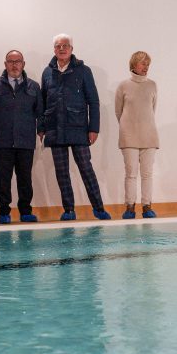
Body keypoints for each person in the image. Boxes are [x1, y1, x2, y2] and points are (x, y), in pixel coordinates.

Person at [39, 33, 111, 221]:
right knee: (62, 172)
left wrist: (93, 128)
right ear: (54, 49)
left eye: (65, 45)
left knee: (86, 168)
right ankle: (69, 210)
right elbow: (42, 103)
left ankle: (99, 208)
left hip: (78, 127)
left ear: (72, 49)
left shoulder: (83, 71)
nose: (61, 49)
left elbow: (93, 101)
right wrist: (41, 128)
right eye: (58, 46)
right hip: (54, 129)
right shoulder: (47, 72)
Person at [0, 50, 43, 224]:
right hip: (2, 141)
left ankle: (25, 212)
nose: (14, 64)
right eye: (11, 61)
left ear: (23, 64)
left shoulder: (34, 86)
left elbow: (40, 111)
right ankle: (4, 212)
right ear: (5, 64)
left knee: (25, 178)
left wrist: (41, 130)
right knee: (3, 178)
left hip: (25, 141)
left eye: (18, 61)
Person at [115, 50, 159, 218]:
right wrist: (129, 127)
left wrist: (143, 125)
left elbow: (152, 110)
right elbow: (118, 112)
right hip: (129, 136)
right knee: (131, 173)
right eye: (143, 63)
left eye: (148, 64)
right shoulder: (123, 86)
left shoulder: (152, 85)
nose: (146, 67)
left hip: (149, 136)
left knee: (147, 174)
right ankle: (130, 207)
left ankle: (147, 206)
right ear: (134, 64)